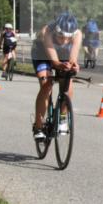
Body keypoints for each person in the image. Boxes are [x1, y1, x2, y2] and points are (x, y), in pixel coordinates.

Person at [30, 13, 82, 141]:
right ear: (56, 31)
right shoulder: (46, 31)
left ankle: (63, 116)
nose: (64, 40)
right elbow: (54, 61)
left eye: (67, 38)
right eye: (61, 36)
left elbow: (73, 57)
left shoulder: (78, 34)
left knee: (68, 85)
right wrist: (59, 65)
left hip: (62, 55)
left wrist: (74, 65)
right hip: (42, 54)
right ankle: (38, 125)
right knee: (46, 84)